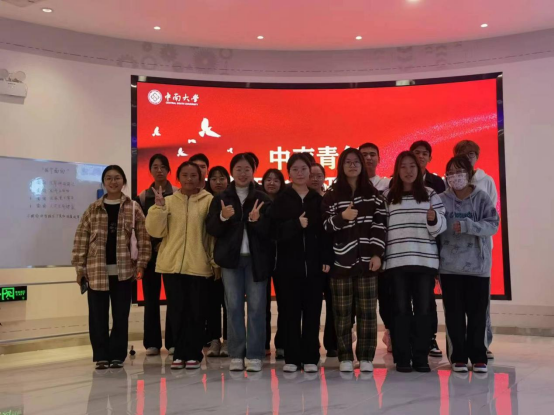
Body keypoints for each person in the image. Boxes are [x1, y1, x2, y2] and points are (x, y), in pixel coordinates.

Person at [72, 165, 151, 370]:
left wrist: (141, 264)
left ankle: (117, 355)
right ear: (103, 182)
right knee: (97, 317)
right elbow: (81, 239)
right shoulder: (93, 208)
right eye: (108, 178)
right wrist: (79, 268)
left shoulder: (133, 208)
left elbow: (143, 238)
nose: (113, 182)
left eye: (117, 178)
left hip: (124, 272)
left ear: (123, 181)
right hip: (96, 272)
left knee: (120, 316)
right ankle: (101, 355)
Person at [146, 162, 217, 371]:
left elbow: (212, 235)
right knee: (176, 311)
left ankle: (193, 353)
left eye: (193, 175)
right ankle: (179, 353)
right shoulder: (167, 201)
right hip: (171, 265)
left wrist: (213, 261)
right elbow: (155, 232)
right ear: (178, 178)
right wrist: (158, 209)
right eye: (185, 175)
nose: (189, 179)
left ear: (200, 177)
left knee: (196, 312)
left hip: (198, 264)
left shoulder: (209, 200)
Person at [322, 148, 387, 373]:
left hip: (367, 262)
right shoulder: (331, 195)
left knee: (367, 312)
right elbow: (325, 226)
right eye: (348, 162)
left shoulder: (374, 195)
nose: (352, 165)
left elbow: (380, 225)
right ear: (341, 166)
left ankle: (366, 356)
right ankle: (345, 357)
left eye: (356, 162)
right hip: (340, 262)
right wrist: (342, 217)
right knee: (342, 313)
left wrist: (377, 254)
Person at [206, 153, 273, 373]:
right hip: (231, 261)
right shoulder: (221, 197)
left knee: (256, 308)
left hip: (256, 260)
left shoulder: (263, 197)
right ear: (232, 172)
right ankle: (236, 354)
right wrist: (223, 217)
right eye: (238, 169)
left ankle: (254, 354)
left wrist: (257, 221)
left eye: (247, 169)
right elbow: (211, 228)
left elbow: (272, 232)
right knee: (233, 307)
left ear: (253, 171)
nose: (243, 174)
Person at [384, 151, 446, 373]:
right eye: (403, 166)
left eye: (412, 166)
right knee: (400, 310)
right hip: (396, 262)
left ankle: (420, 358)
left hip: (424, 261)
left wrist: (434, 219)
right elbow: (382, 229)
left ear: (419, 169)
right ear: (397, 170)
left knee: (423, 310)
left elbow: (440, 228)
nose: (408, 171)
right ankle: (402, 358)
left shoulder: (430, 195)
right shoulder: (388, 196)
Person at [271, 154, 333, 373]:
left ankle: (310, 357)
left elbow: (326, 233)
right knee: (289, 312)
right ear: (289, 173)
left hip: (314, 266)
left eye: (304, 169)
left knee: (312, 312)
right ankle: (292, 357)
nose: (300, 173)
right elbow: (273, 232)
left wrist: (326, 258)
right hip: (287, 267)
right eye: (295, 169)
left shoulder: (318, 200)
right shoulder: (281, 199)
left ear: (310, 172)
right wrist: (295, 224)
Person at [439, 156, 499, 374]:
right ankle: (458, 357)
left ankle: (479, 356)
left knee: (477, 314)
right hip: (449, 267)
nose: (455, 176)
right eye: (451, 172)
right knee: (454, 314)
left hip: (478, 268)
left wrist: (468, 226)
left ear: (470, 173)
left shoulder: (481, 197)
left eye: (460, 171)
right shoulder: (441, 199)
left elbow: (493, 225)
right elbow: (434, 229)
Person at [454, 140, 498, 360]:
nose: (469, 156)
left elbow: (491, 215)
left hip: (480, 248)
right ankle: (459, 348)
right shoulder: (451, 180)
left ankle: (482, 344)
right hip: (454, 251)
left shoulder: (486, 180)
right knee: (457, 304)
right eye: (464, 153)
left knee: (481, 303)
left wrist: (471, 226)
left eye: (472, 153)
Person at [136, 154, 177, 357]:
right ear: (150, 170)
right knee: (150, 299)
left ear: (169, 170)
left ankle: (173, 341)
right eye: (155, 167)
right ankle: (152, 342)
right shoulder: (143, 196)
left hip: (171, 252)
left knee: (174, 298)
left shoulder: (177, 194)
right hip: (150, 255)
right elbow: (141, 227)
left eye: (163, 167)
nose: (159, 170)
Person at [410, 140, 446, 359]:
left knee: (426, 298)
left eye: (425, 153)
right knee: (403, 299)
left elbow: (442, 216)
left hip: (429, 248)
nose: (421, 156)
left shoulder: (437, 183)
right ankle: (406, 338)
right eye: (417, 152)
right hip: (404, 250)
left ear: (430, 158)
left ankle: (429, 338)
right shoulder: (397, 181)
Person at [359, 142, 392, 352]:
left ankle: (390, 332)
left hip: (385, 250)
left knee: (387, 297)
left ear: (379, 159)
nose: (368, 158)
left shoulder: (388, 185)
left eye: (372, 154)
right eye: (364, 155)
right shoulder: (349, 185)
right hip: (358, 252)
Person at [309, 163, 338, 357]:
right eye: (311, 175)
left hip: (332, 258)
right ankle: (311, 342)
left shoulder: (330, 199)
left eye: (319, 175)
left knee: (333, 303)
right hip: (311, 259)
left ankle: (332, 344)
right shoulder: (302, 200)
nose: (315, 179)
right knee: (312, 305)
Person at [205, 166, 231, 358]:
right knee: (212, 302)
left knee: (230, 303)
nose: (218, 182)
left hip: (229, 260)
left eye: (222, 178)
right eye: (214, 179)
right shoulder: (205, 200)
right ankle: (214, 339)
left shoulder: (233, 200)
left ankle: (229, 340)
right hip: (208, 260)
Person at [262, 168, 287, 359]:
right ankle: (262, 344)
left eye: (276, 180)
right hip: (261, 260)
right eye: (268, 179)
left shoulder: (286, 202)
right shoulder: (256, 201)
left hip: (282, 260)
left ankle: (282, 344)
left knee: (284, 304)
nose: (271, 183)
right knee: (261, 305)